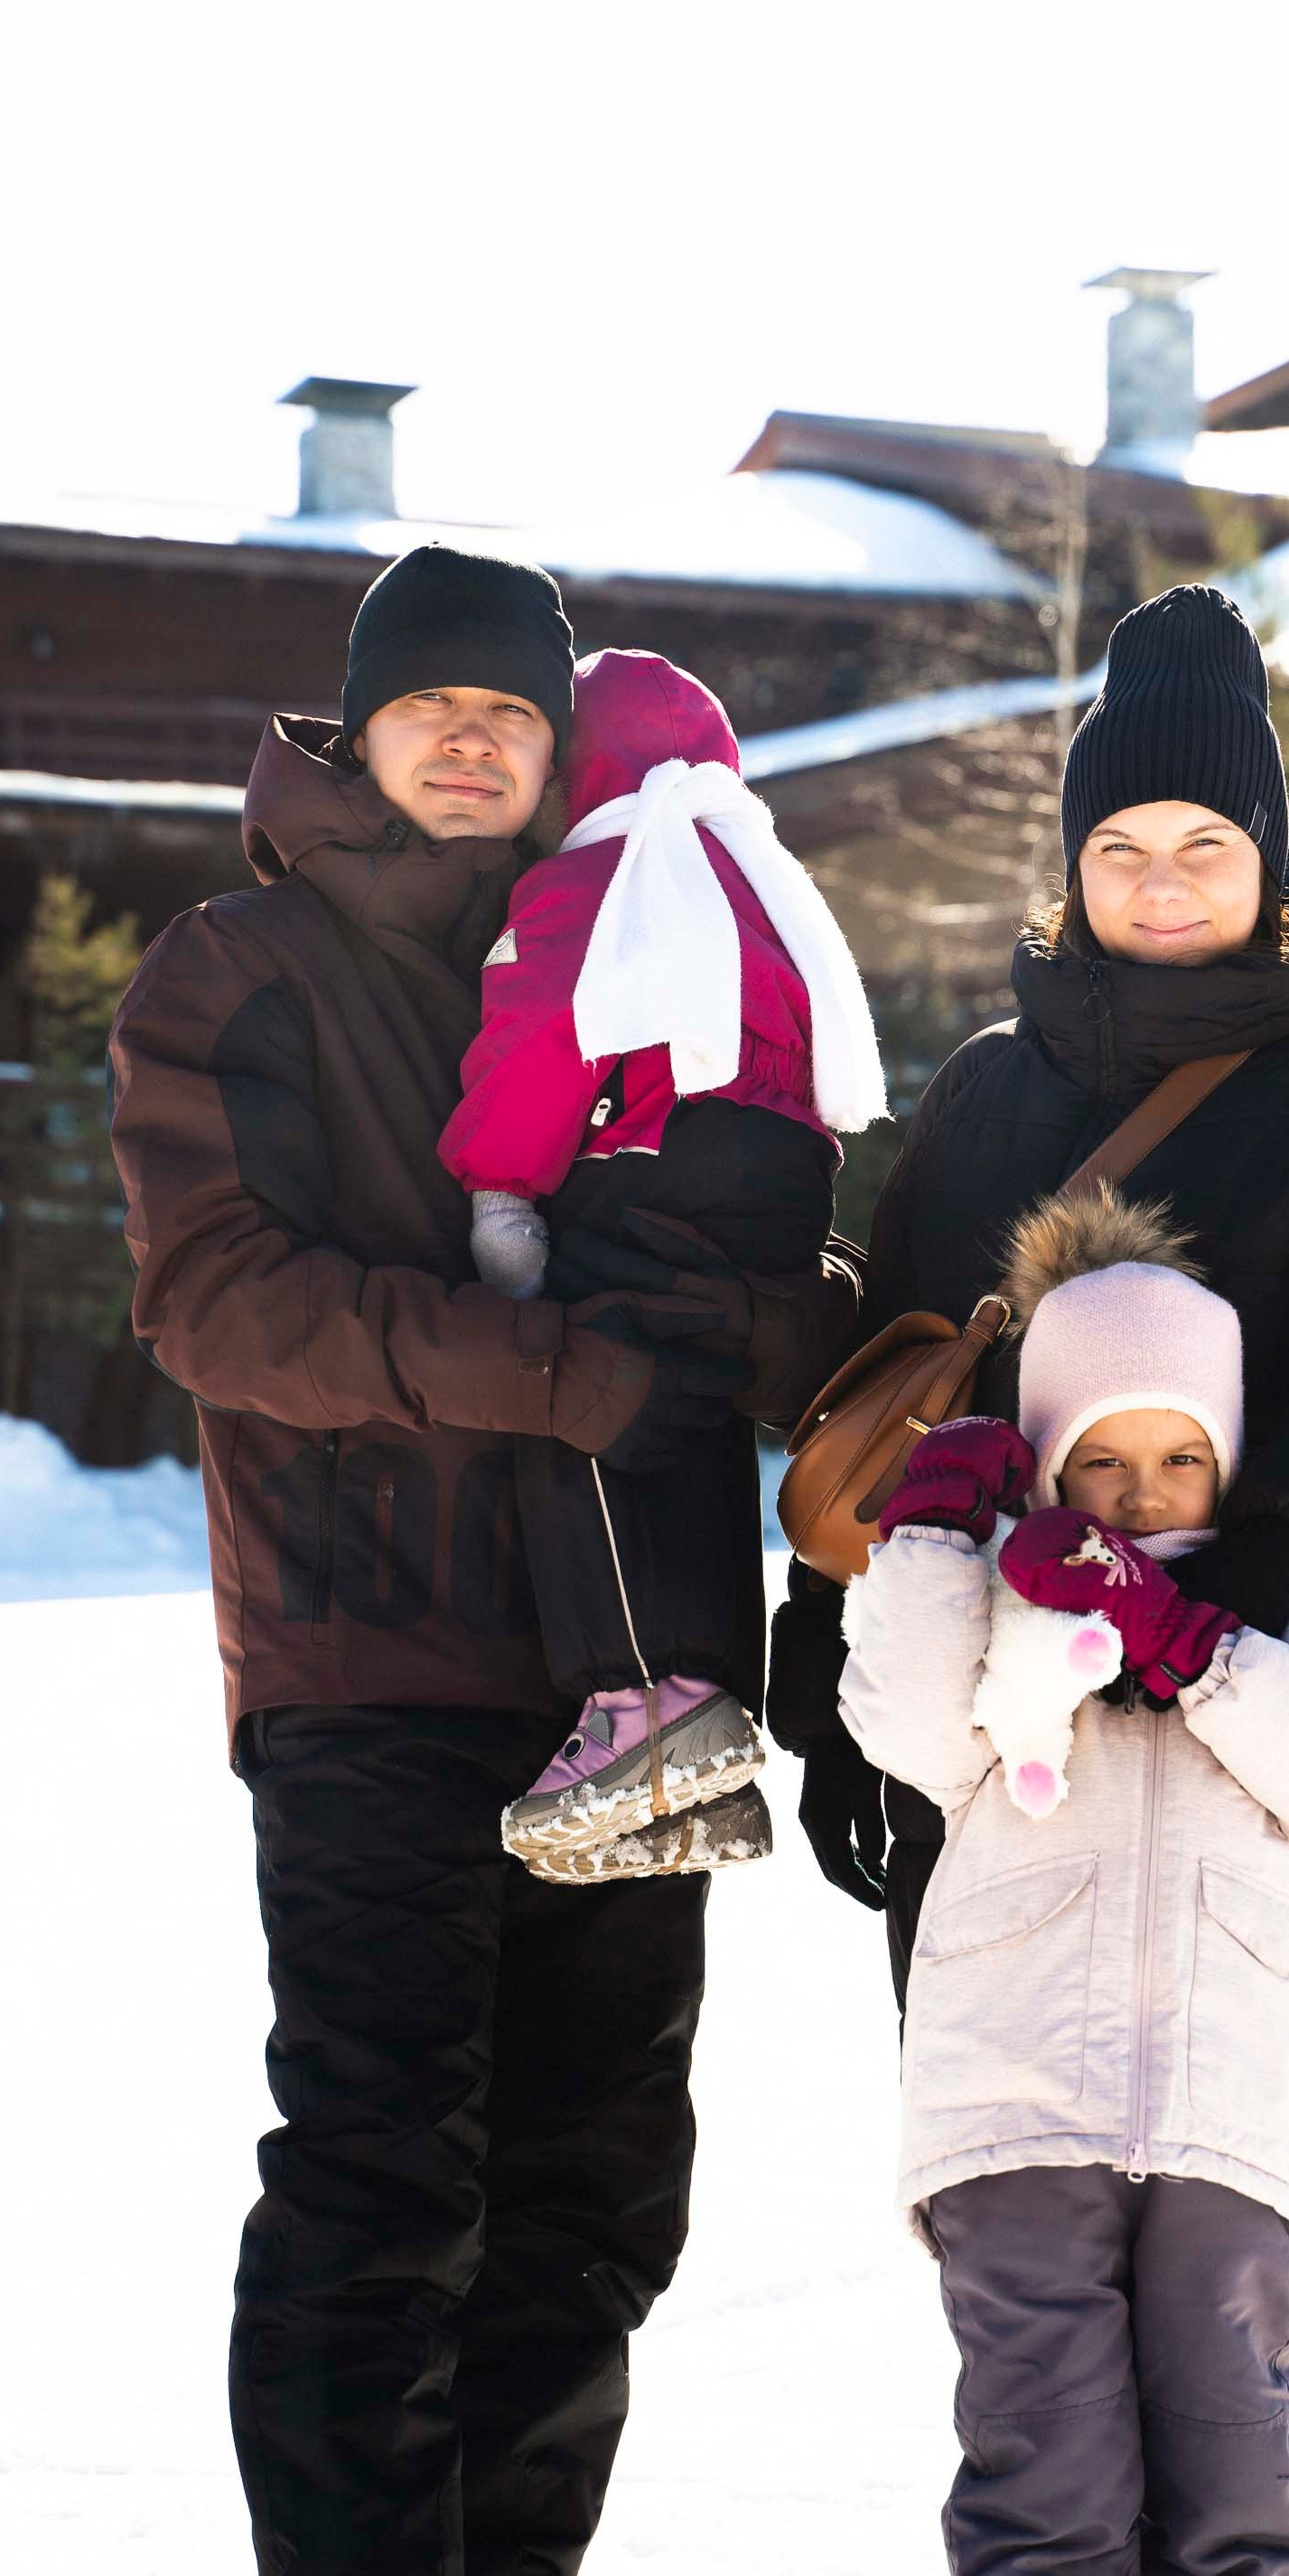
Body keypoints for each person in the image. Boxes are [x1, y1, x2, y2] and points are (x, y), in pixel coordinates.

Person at [108, 545, 856, 2576]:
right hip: (368, 1662)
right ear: (358, 729)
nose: (465, 741)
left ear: (558, 745)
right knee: (380, 2171)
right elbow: (223, 1300)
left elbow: (714, 1245)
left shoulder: (631, 944)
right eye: (423, 705)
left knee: (595, 2172)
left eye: (506, 714)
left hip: (626, 1660)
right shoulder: (233, 970)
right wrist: (553, 1367)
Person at [770, 583, 1289, 2576]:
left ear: (1274, 865)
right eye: (1126, 846)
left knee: (1254, 2235)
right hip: (988, 1749)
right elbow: (886, 1383)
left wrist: (1208, 1601)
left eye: (1207, 844)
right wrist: (842, 1676)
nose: (1163, 882)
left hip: (1267, 1734)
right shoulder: (987, 1096)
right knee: (1032, 2265)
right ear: (1069, 865)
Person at [840, 1191, 1289, 2576]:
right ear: (1046, 1463)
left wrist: (1198, 1653)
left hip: (1232, 2131)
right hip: (1018, 2106)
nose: (1143, 1497)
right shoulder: (1005, 1635)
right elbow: (903, 1717)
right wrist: (938, 1540)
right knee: (1044, 2476)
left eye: (1182, 1460)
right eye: (1103, 1461)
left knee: (1242, 2481)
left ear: (1228, 1472)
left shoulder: (1286, 1645)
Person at [435, 646, 885, 1881]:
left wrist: (498, 1192)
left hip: (653, 1157)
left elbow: (538, 1048)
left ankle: (640, 1706)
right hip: (779, 1188)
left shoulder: (599, 879)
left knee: (583, 1402)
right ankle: (705, 1741)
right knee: (689, 1420)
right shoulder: (760, 882)